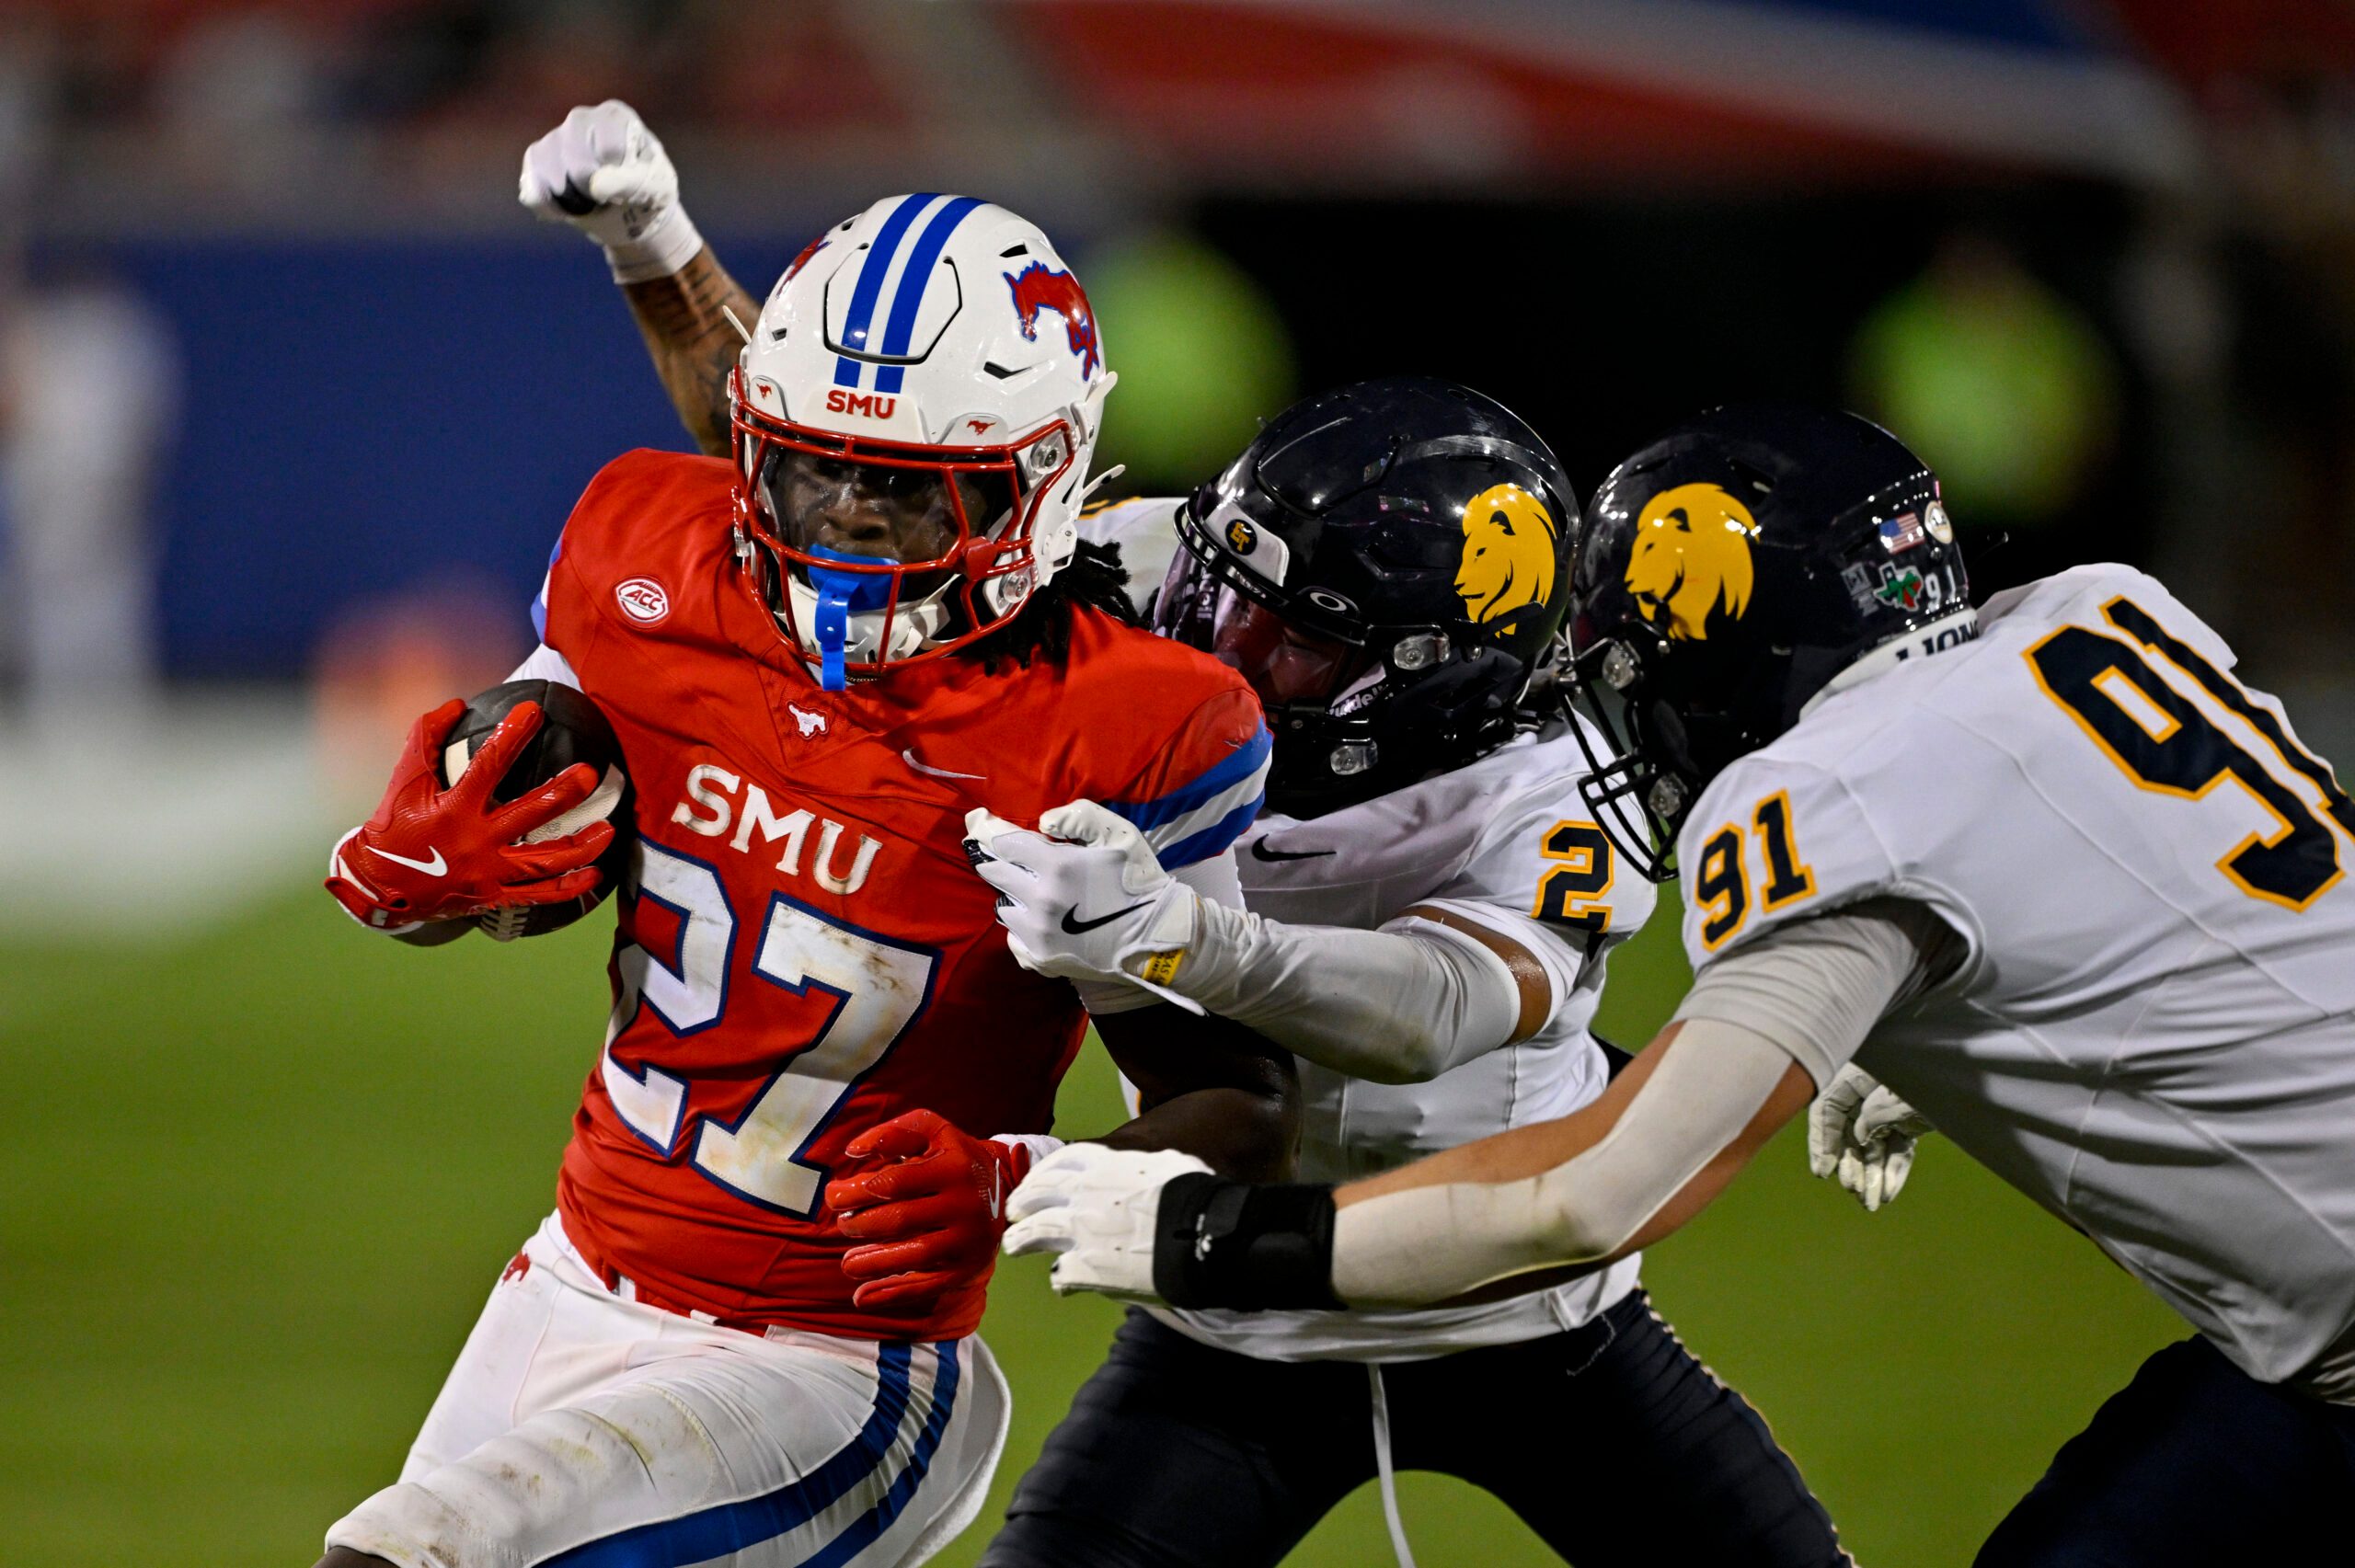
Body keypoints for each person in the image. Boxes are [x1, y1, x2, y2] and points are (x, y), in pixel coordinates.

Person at [527, 103, 1857, 1567]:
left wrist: (1184, 935)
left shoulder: (1560, 783)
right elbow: (849, 477)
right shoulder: (1169, 576)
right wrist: (659, 249)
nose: (1227, 637)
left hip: (1526, 1315)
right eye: (1233, 583)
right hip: (1232, 1316)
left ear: (1439, 672)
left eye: (1296, 636)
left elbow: (1435, 1012)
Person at [1001, 405, 2355, 1565]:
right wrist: (1898, 1017)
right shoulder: (2097, 613)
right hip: (2304, 1355)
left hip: (1517, 1304)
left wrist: (1200, 1230)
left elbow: (1584, 1185)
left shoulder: (1806, 797)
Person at [310, 171, 1298, 1568]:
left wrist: (1029, 1179)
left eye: (901, 496)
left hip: (832, 1366)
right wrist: (429, 873)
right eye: (807, 471)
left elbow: (1238, 1103)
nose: (836, 527)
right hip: (570, 1275)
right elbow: (516, 834)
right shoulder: (654, 562)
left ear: (1042, 479)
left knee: (402, 1555)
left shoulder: (1116, 723)